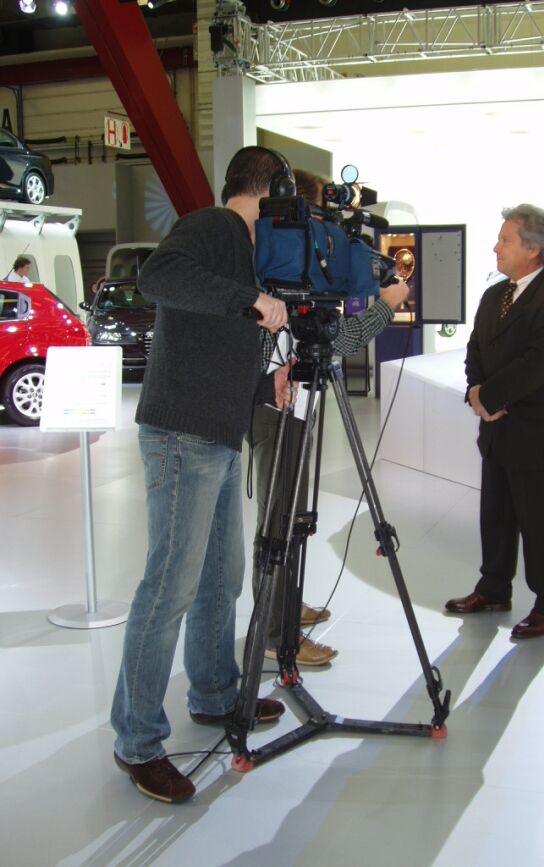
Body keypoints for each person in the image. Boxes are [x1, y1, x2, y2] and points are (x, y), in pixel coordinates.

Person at [111, 146, 292, 805]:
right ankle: (136, 740)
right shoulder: (214, 227)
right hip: (183, 433)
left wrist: (262, 378)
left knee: (222, 575)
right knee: (170, 586)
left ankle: (215, 690)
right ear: (268, 194)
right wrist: (250, 300)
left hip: (215, 434)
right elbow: (160, 276)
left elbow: (215, 338)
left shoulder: (246, 254)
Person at [250, 168, 410, 666]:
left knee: (291, 514)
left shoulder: (294, 272)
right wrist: (383, 308)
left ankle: (286, 606)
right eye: (323, 223)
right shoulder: (279, 275)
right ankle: (277, 636)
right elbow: (336, 342)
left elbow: (325, 336)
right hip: (279, 406)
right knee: (278, 520)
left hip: (296, 402)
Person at [445, 204, 544, 639]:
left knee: (540, 525)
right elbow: (475, 352)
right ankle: (494, 589)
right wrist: (476, 393)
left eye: (505, 240)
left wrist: (489, 396)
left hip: (534, 434)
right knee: (496, 517)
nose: (496, 247)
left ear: (534, 250)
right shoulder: (493, 295)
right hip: (496, 428)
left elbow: (536, 365)